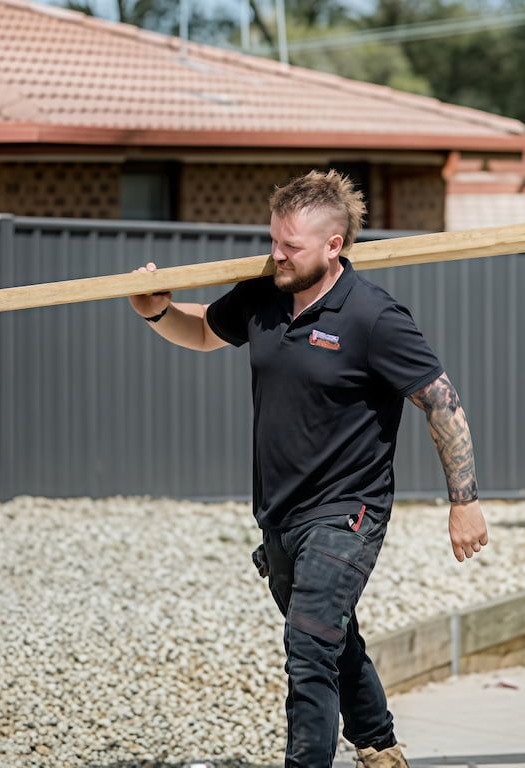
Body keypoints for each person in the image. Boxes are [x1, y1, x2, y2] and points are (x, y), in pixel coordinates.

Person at [129, 169, 488, 768]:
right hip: (279, 513)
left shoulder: (374, 317)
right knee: (329, 636)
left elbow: (442, 405)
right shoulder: (262, 295)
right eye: (273, 240)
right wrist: (156, 312)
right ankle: (378, 745)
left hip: (350, 512)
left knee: (306, 645)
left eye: (290, 246)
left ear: (334, 245)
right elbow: (201, 333)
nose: (276, 255)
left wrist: (465, 501)